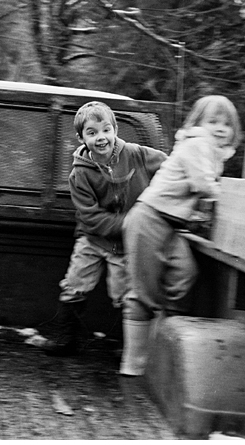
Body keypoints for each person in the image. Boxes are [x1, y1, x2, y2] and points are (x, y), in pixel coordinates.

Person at [120, 95, 241, 376]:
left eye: (227, 124)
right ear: (197, 123)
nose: (220, 128)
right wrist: (233, 199)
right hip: (149, 218)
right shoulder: (197, 144)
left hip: (171, 225)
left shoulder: (212, 152)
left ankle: (160, 351)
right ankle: (134, 364)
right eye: (213, 121)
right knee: (143, 292)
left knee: (184, 275)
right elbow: (204, 185)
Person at [42, 100, 167, 356]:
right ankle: (66, 340)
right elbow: (90, 217)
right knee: (74, 284)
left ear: (115, 130)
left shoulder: (136, 154)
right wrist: (131, 224)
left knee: (124, 293)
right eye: (92, 132)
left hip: (124, 245)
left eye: (106, 130)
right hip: (92, 239)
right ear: (81, 138)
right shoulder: (80, 174)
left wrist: (159, 205)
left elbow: (171, 169)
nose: (101, 137)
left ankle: (128, 346)